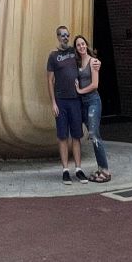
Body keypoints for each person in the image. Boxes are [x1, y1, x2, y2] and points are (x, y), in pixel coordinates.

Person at [45, 24, 86, 184]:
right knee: (63, 136)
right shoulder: (53, 56)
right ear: (57, 36)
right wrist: (53, 103)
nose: (65, 37)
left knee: (76, 135)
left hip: (75, 100)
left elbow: (87, 58)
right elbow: (49, 80)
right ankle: (65, 170)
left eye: (67, 35)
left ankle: (78, 169)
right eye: (62, 35)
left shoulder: (74, 52)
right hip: (61, 101)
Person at [73, 35, 110, 183]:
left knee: (94, 135)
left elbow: (95, 84)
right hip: (82, 103)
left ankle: (106, 171)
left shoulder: (93, 62)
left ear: (86, 45)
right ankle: (101, 168)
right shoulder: (77, 62)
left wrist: (80, 91)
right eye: (78, 45)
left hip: (93, 101)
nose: (81, 47)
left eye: (83, 44)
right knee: (91, 135)